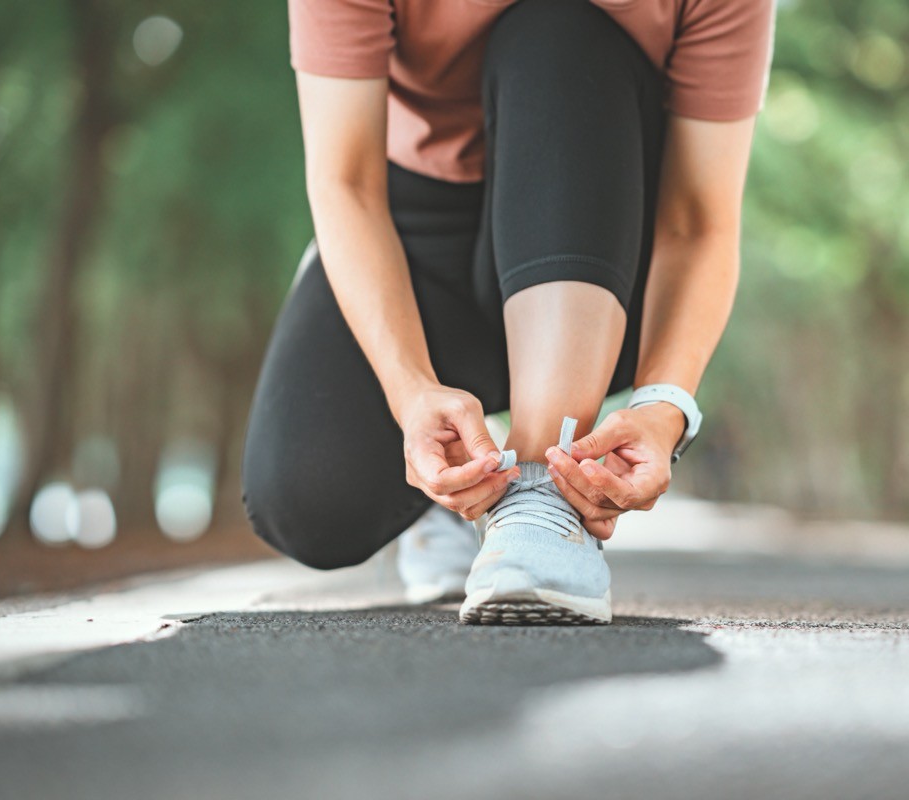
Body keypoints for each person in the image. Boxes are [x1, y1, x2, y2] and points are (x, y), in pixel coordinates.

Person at [242, 0, 774, 625]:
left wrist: (666, 405)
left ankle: (540, 503)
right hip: (416, 219)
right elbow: (346, 183)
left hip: (599, 232)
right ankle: (454, 496)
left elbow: (698, 223)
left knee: (556, 27)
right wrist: (408, 390)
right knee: (312, 501)